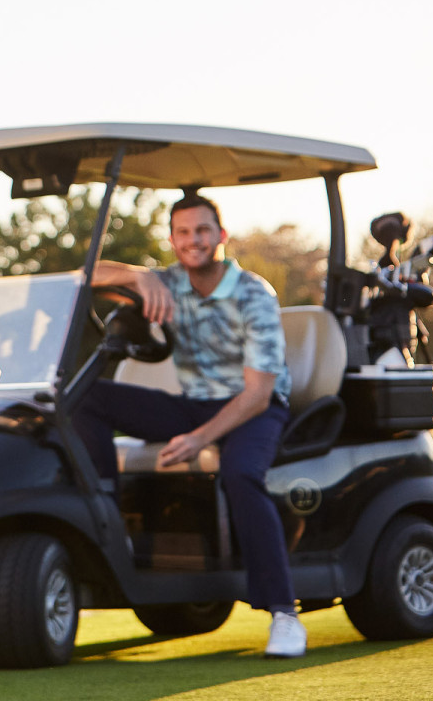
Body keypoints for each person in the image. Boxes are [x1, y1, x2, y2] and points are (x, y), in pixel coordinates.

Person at [75, 193, 306, 659]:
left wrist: (200, 439)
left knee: (241, 474)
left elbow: (258, 393)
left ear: (221, 236)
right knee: (86, 397)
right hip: (194, 404)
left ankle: (284, 613)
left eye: (202, 230)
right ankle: (109, 523)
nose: (193, 240)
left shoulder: (253, 294)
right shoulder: (167, 281)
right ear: (172, 240)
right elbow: (84, 277)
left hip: (254, 409)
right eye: (183, 232)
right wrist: (139, 276)